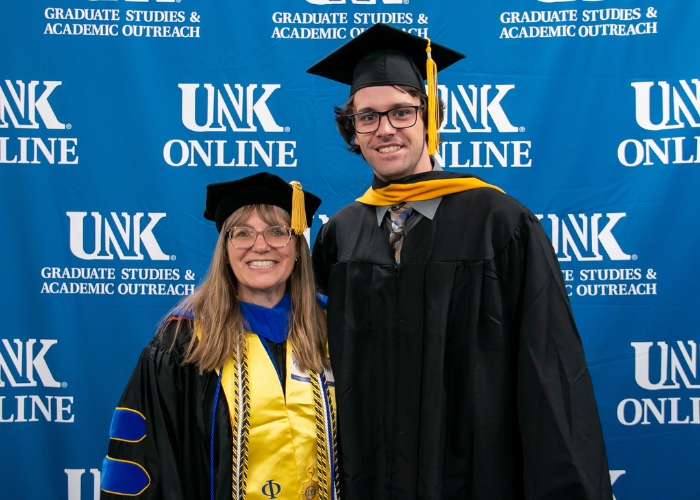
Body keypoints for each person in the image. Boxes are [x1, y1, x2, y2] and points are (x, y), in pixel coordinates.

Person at [307, 23, 612, 498]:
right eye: (367, 117)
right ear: (353, 130)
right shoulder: (339, 235)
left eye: (401, 113)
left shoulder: (501, 223)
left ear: (430, 118)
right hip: (372, 476)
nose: (385, 129)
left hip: (477, 476)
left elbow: (548, 370)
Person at [99, 172, 339, 500]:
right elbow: (145, 464)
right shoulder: (182, 344)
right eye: (242, 233)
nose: (260, 245)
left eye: (277, 232)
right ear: (225, 250)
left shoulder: (335, 330)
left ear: (297, 247)